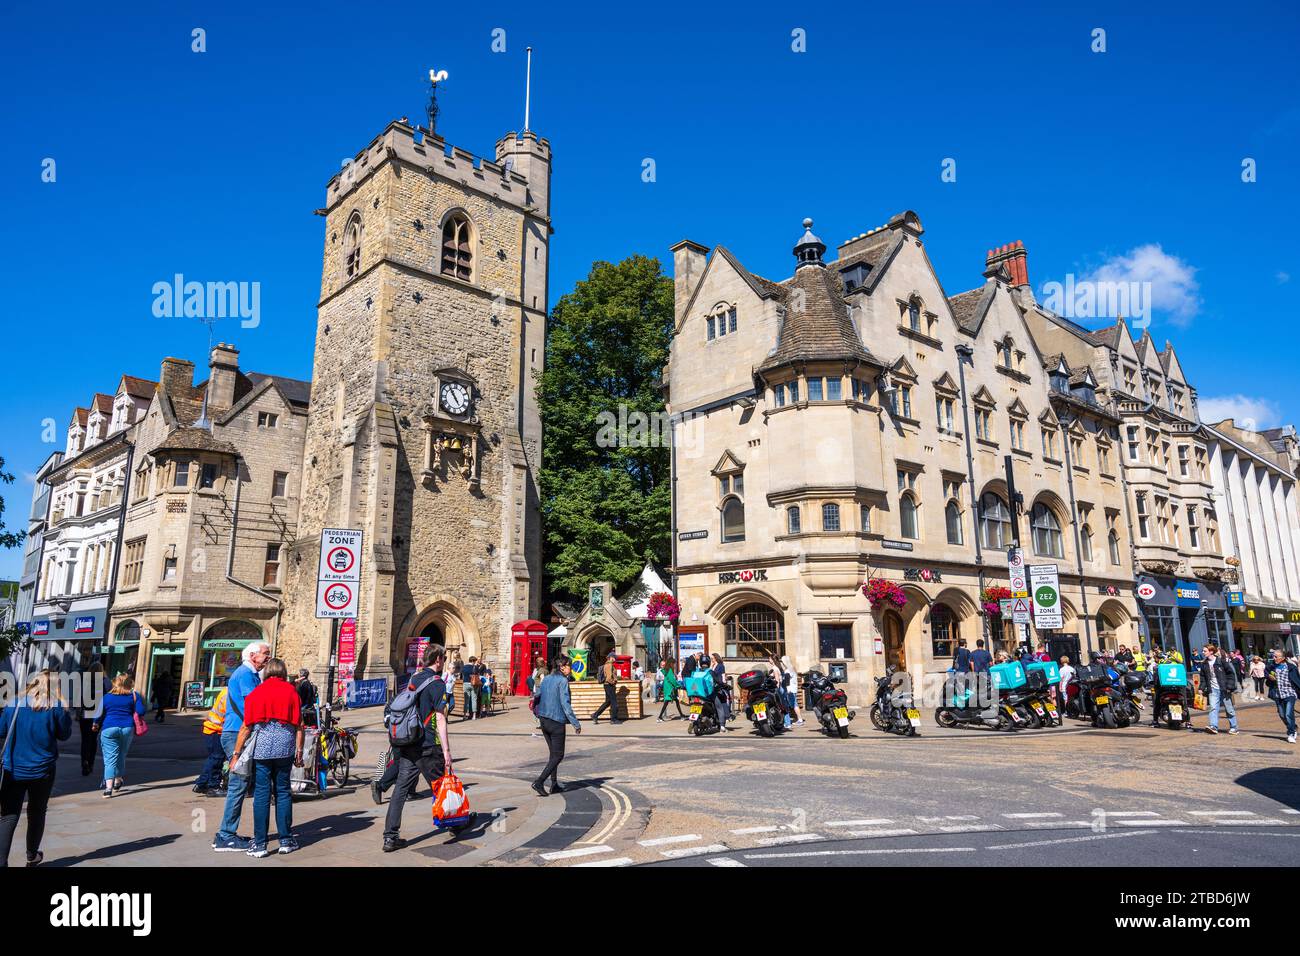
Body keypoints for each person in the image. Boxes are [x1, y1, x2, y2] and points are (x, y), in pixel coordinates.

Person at [229, 658, 304, 857]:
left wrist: (236, 754)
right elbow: (299, 726)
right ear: (284, 672)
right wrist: (299, 752)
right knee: (283, 792)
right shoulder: (291, 692)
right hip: (285, 747)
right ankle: (286, 840)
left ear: (266, 672)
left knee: (261, 793)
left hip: (262, 748)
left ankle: (260, 844)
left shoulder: (257, 692)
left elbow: (246, 727)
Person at [383, 643, 453, 853]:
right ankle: (456, 824)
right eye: (443, 659)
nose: (443, 663)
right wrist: (447, 751)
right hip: (427, 745)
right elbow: (440, 718)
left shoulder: (414, 678)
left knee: (400, 790)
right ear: (438, 660)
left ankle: (390, 837)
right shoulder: (438, 683)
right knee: (441, 787)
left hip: (408, 742)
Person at [0, 670, 72, 867]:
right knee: (37, 812)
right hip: (42, 770)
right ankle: (32, 855)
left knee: (8, 816)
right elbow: (64, 735)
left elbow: (1, 731)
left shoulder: (13, 705)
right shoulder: (56, 707)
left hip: (13, 769)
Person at [212, 641, 270, 853]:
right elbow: (252, 705)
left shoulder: (252, 674)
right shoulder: (245, 674)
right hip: (237, 733)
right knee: (238, 784)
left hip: (238, 732)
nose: (268, 657)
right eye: (265, 654)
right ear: (253, 655)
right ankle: (225, 835)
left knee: (240, 784)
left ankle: (227, 833)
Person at [532, 656, 582, 796]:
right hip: (556, 721)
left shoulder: (547, 678)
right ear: (562, 667)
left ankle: (554, 784)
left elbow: (537, 695)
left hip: (544, 720)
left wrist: (537, 712)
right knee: (558, 755)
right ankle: (539, 782)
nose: (570, 669)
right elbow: (565, 704)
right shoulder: (563, 680)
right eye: (569, 666)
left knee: (553, 755)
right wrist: (575, 723)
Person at [95, 673, 146, 798]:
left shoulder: (107, 697)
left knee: (110, 759)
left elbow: (98, 713)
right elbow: (141, 711)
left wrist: (95, 723)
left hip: (109, 728)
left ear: (115, 684)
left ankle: (108, 789)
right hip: (127, 728)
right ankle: (118, 780)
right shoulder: (134, 696)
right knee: (121, 755)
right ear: (129, 684)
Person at [193, 687, 229, 796]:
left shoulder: (227, 691)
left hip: (213, 729)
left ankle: (201, 784)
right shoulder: (229, 694)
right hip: (216, 730)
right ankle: (213, 786)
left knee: (214, 758)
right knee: (217, 759)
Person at [1198, 644, 1239, 736]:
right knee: (1213, 708)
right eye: (1203, 651)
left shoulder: (1221, 661)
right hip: (1213, 689)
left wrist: (1229, 686)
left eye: (1205, 651)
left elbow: (1231, 674)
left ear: (1211, 651)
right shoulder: (1204, 664)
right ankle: (1213, 726)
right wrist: (1201, 688)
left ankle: (1234, 727)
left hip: (1224, 688)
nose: (1203, 652)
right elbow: (1203, 678)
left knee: (1229, 709)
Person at [1265, 648, 1300, 743]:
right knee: (1282, 715)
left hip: (1289, 693)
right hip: (1278, 694)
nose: (1274, 658)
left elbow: (1297, 680)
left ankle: (1291, 733)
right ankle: (1294, 727)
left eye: (1276, 656)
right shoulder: (1272, 666)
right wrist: (1269, 677)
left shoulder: (1291, 667)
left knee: (1289, 713)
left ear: (1283, 657)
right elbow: (1266, 673)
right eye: (1273, 656)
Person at [590, 654, 622, 725]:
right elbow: (608, 678)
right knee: (614, 703)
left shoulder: (609, 665)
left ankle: (595, 715)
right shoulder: (609, 665)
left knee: (607, 702)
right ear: (610, 657)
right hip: (609, 686)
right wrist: (613, 682)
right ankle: (613, 719)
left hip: (607, 686)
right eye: (614, 658)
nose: (615, 659)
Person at [780, 654, 805, 726]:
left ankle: (799, 720)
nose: (782, 663)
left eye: (782, 661)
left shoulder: (787, 670)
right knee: (795, 704)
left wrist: (787, 689)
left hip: (790, 690)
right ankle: (799, 719)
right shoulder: (793, 668)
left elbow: (787, 679)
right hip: (794, 689)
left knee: (794, 705)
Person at [461, 656, 483, 721]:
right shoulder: (475, 667)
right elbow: (478, 675)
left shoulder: (464, 667)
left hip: (465, 684)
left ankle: (465, 715)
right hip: (474, 684)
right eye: (475, 661)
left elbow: (462, 675)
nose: (475, 662)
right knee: (474, 699)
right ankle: (474, 716)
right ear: (473, 661)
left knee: (466, 701)